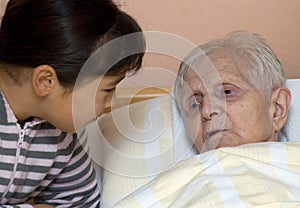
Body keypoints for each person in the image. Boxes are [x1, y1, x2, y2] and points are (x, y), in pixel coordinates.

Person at [0, 0, 145, 207]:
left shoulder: (60, 135)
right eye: (107, 90)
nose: (109, 104)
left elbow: (83, 201)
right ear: (45, 81)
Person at [173, 30, 291, 153]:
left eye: (227, 92)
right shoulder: (181, 172)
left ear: (278, 108)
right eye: (195, 104)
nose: (207, 110)